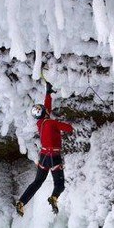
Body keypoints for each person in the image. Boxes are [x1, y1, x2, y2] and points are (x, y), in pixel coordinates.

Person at [16, 81, 73, 216]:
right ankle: (53, 198)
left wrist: (48, 93)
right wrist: (65, 126)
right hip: (54, 157)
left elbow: (46, 108)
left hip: (44, 157)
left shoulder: (40, 123)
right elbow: (69, 128)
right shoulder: (52, 122)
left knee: (37, 182)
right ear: (44, 113)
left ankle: (22, 202)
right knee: (59, 185)